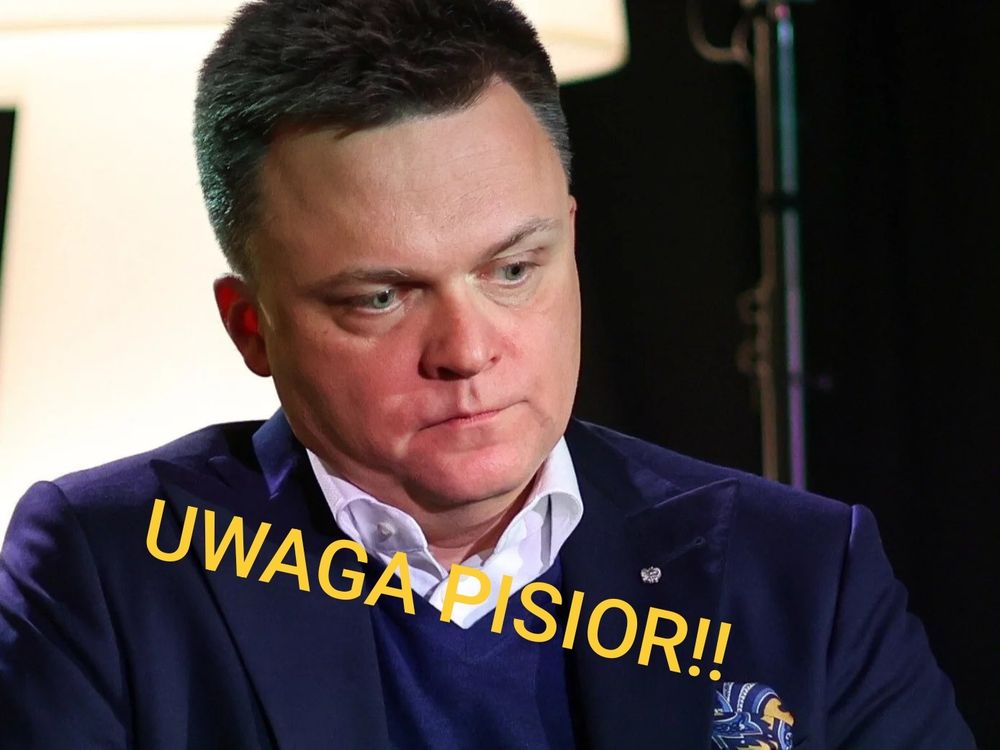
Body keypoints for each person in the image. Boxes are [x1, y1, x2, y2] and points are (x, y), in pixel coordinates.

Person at [0, 1, 976, 748]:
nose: (467, 352)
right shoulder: (106, 573)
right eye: (381, 297)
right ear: (250, 327)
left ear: (571, 243)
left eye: (513, 270)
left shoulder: (805, 575)